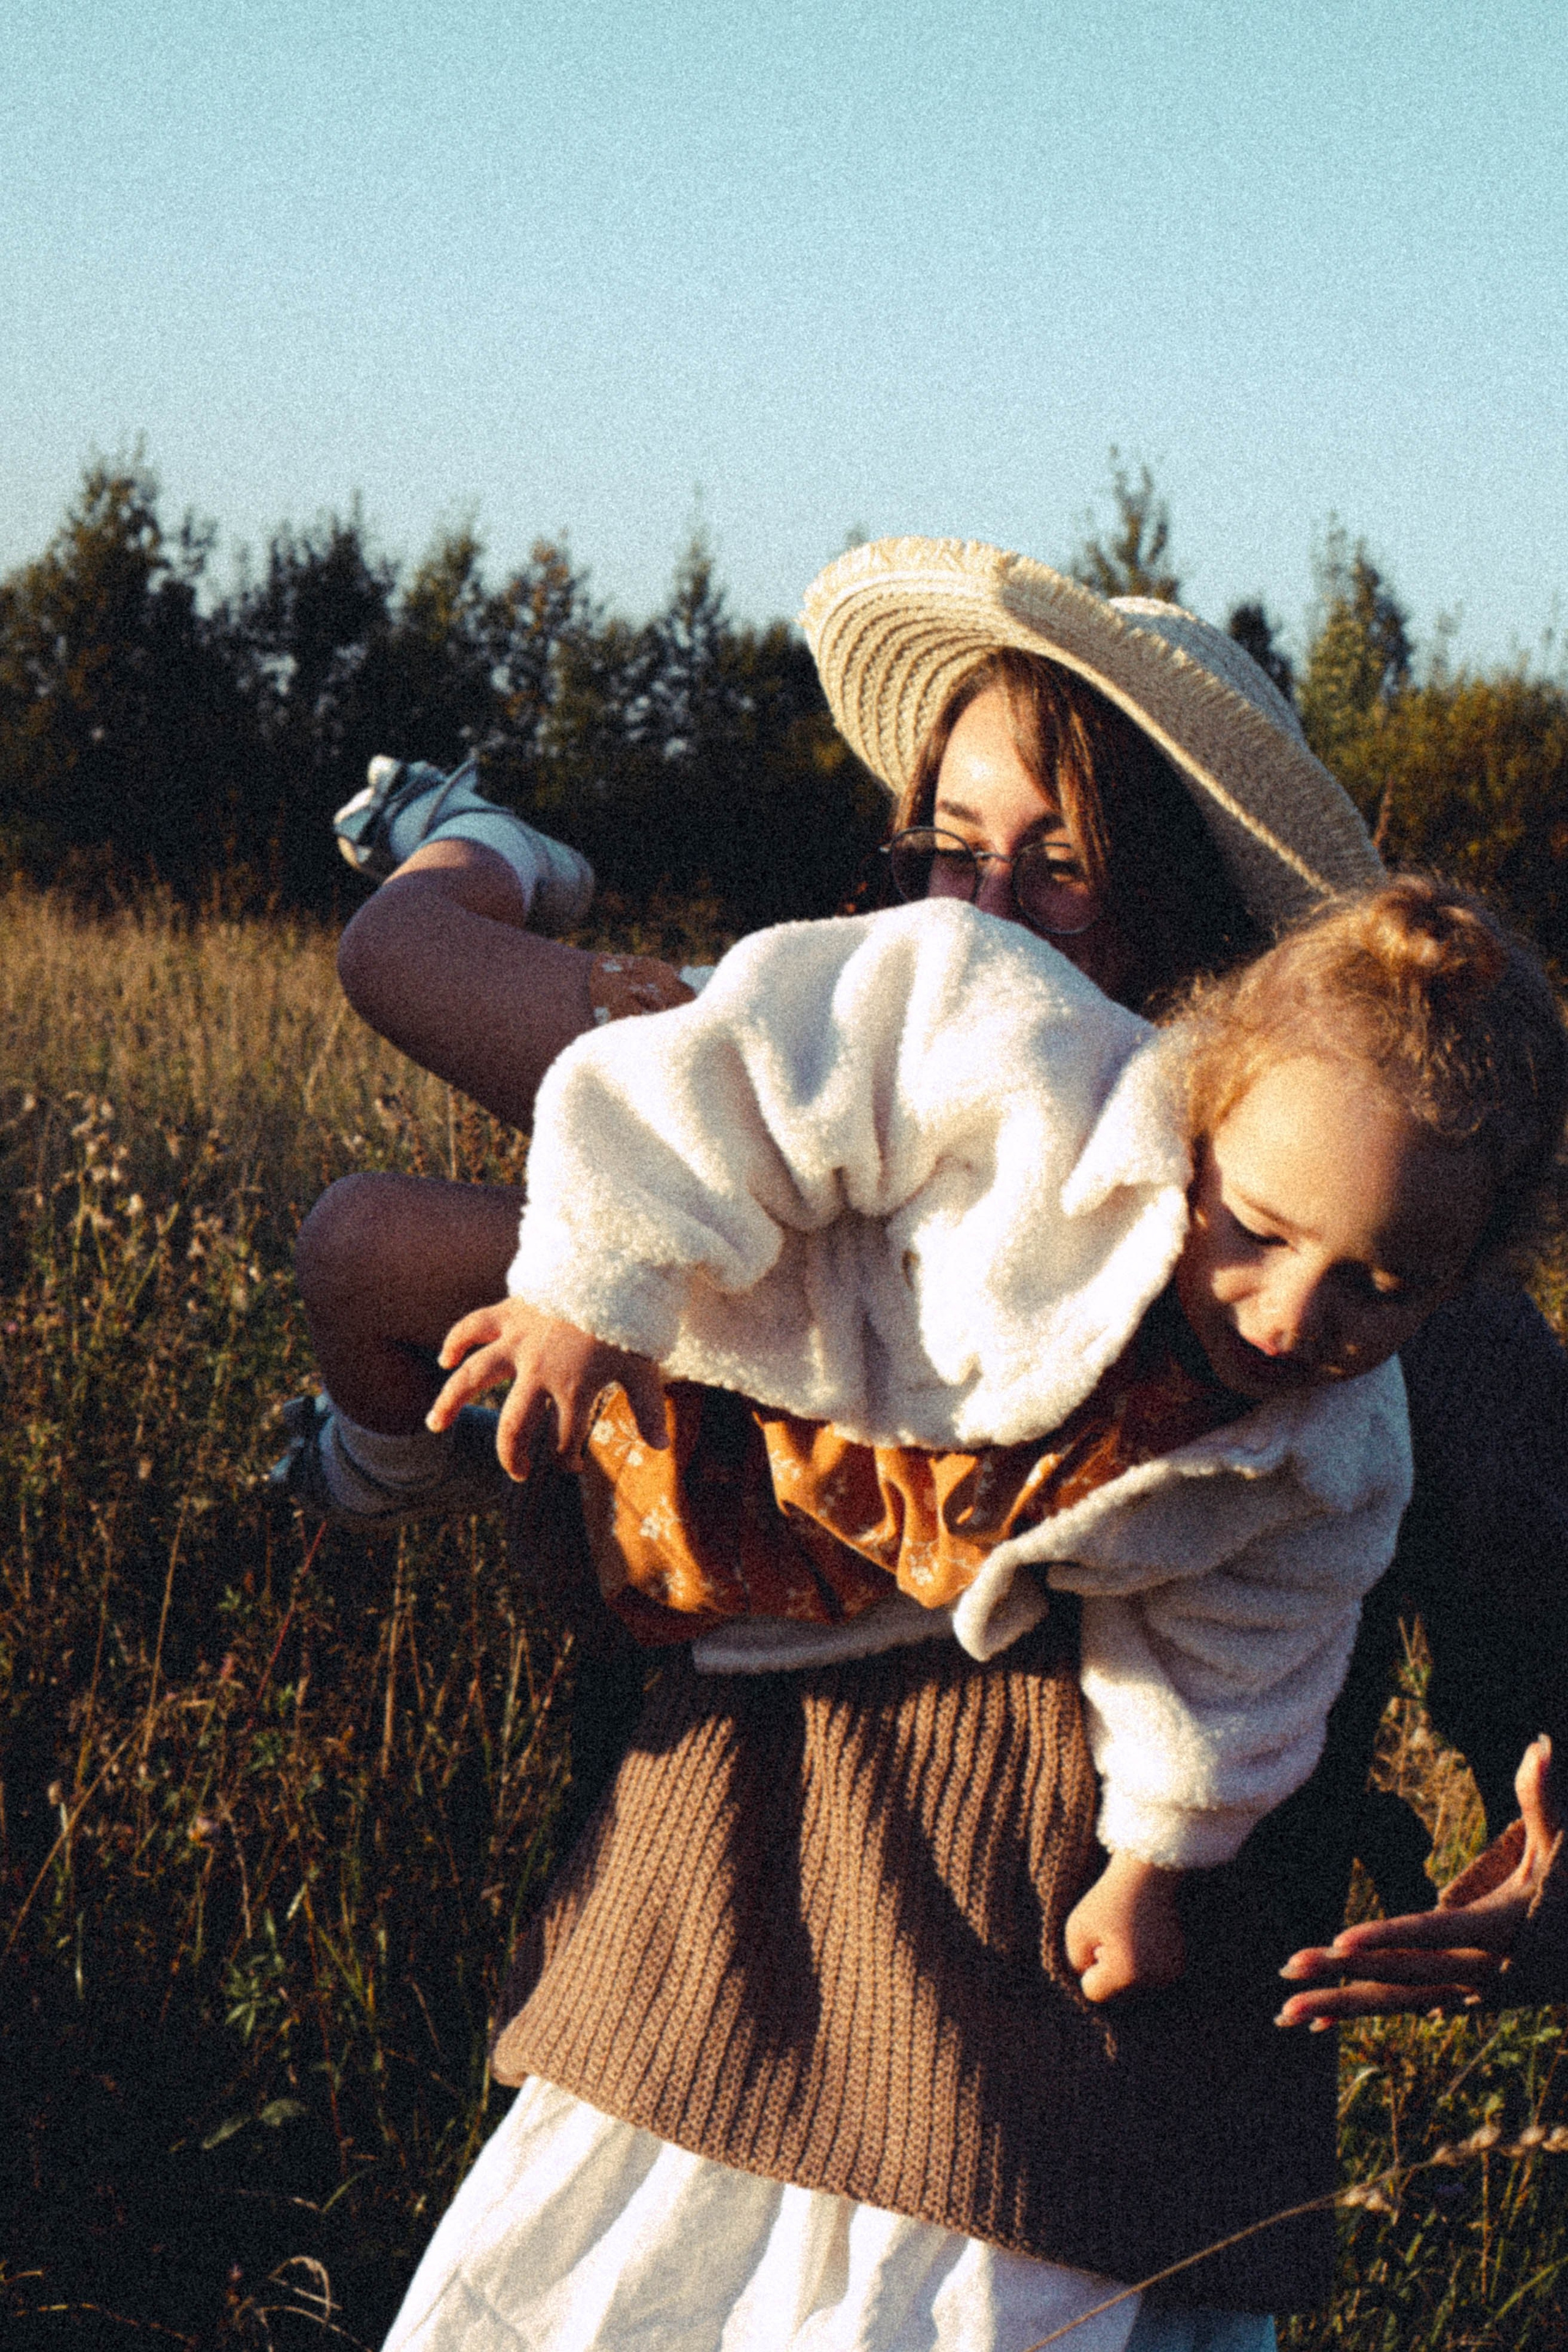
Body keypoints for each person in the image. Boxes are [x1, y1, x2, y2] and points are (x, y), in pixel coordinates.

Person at [288, 538, 1568, 2348]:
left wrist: (1548, 1892)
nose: (982, 911)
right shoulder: (829, 1107)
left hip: (1077, 2168)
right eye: (947, 848)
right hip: (686, 2040)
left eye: (1063, 864)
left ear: (1213, 928)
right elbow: (470, 1056)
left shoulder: (1400, 1308)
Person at [289, 875, 1560, 2014]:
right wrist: (595, 1290)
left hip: (760, 1594)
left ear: (1467, 1273)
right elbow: (744, 1065)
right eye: (1258, 1231)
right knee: (379, 1258)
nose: (1288, 1319)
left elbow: (1247, 1643)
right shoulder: (1032, 1071)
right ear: (1206, 1103)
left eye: (1381, 1289)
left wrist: (1152, 1860)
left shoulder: (1332, 1448)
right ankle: (369, 1460)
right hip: (669, 1396)